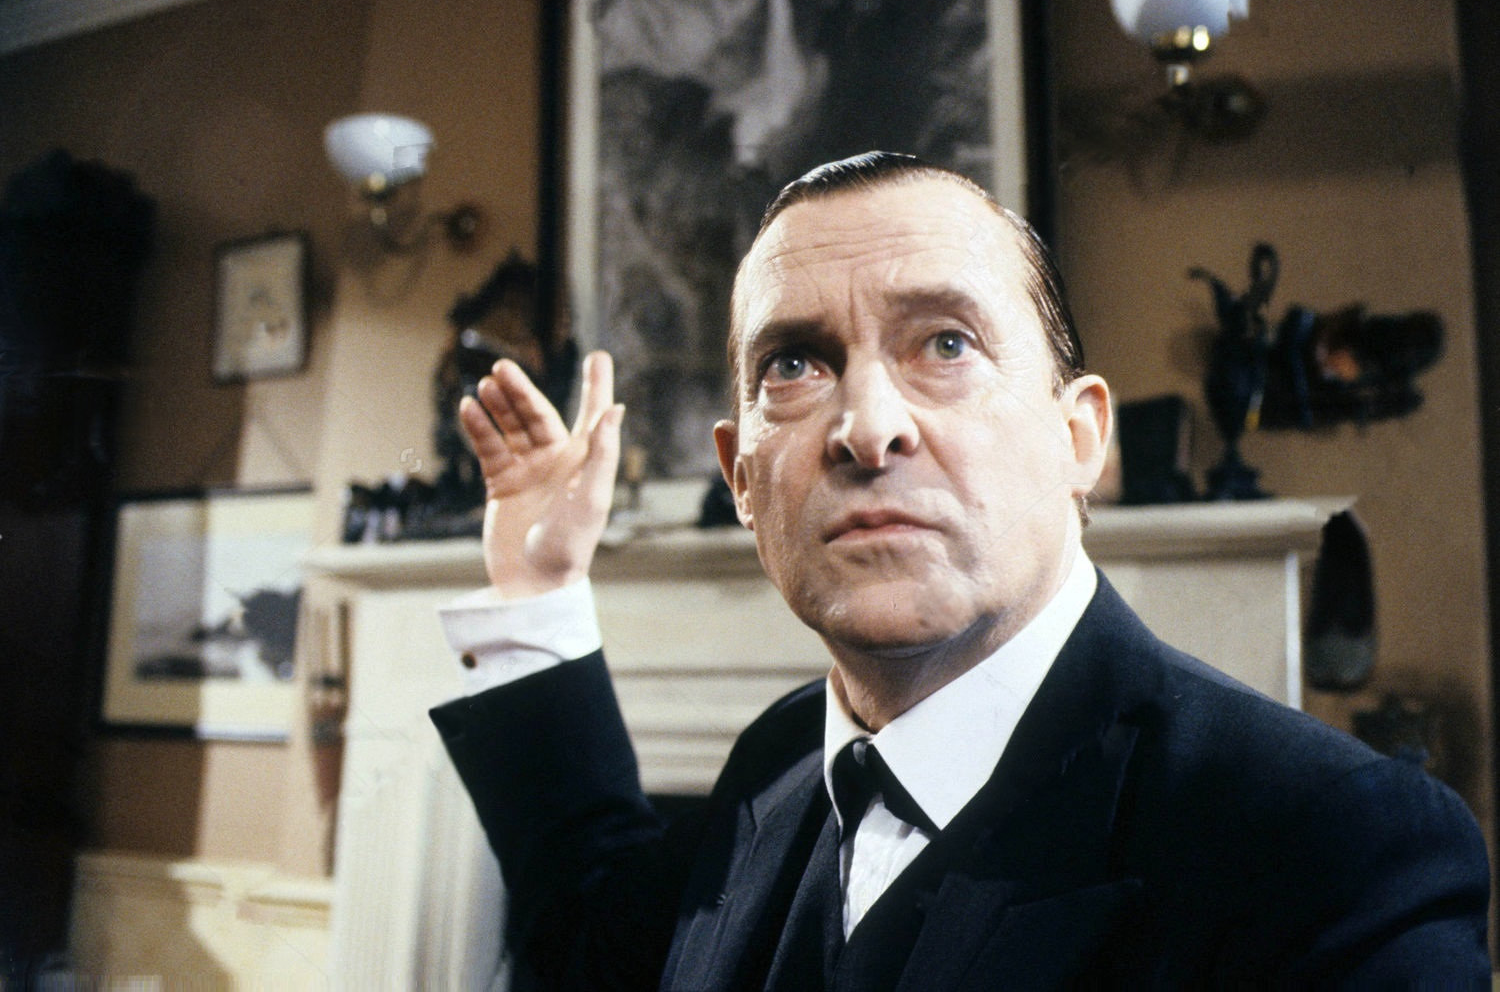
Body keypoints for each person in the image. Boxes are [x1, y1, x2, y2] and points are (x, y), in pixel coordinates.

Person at [430, 152, 1491, 989]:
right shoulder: (777, 760)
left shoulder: (1328, 846)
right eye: (794, 364)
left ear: (1080, 438)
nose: (866, 425)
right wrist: (537, 589)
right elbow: (597, 943)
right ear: (741, 478)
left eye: (945, 344)